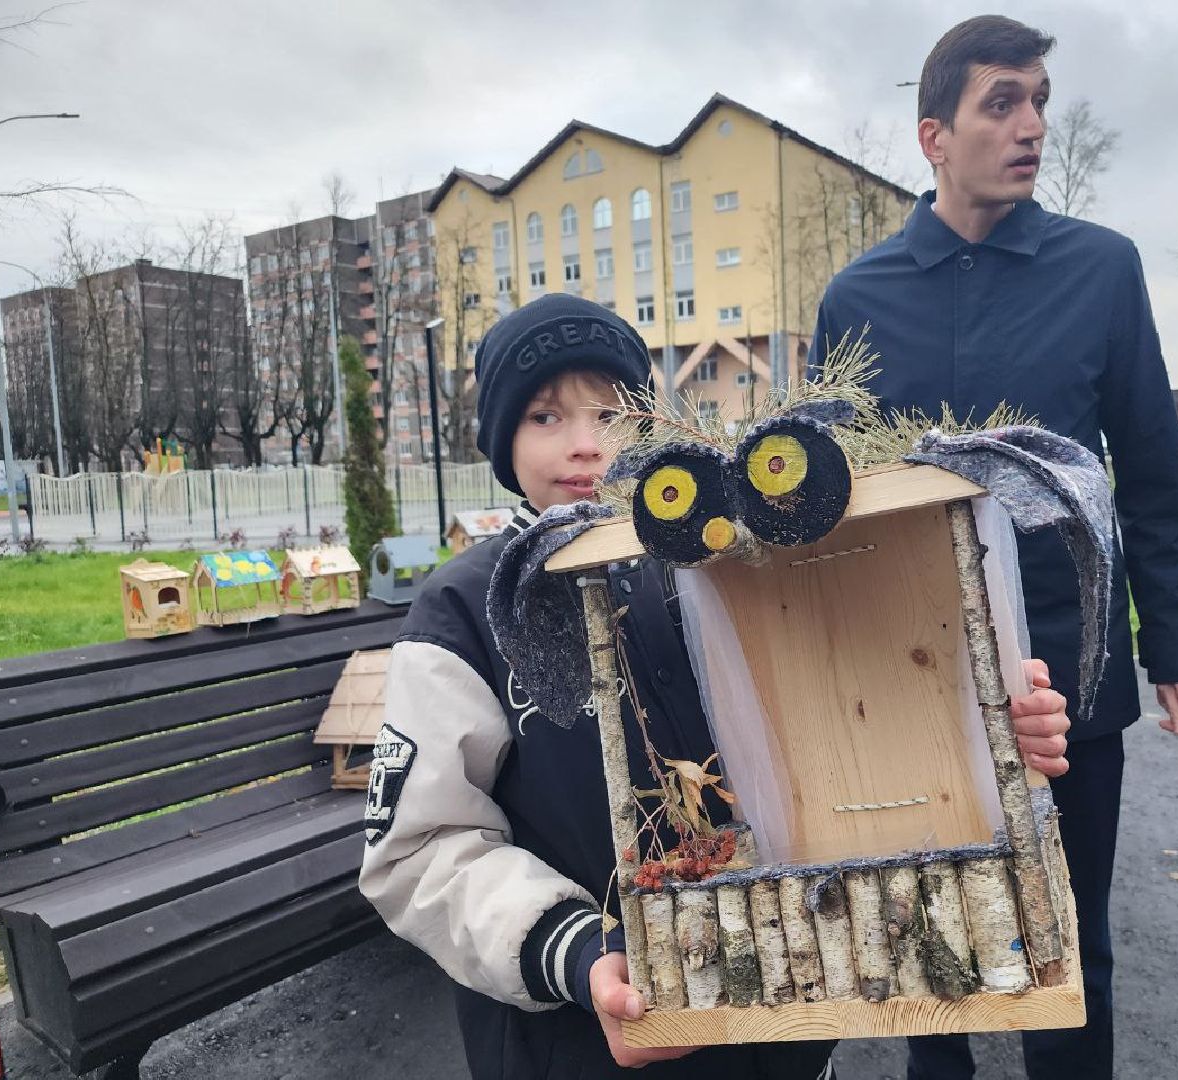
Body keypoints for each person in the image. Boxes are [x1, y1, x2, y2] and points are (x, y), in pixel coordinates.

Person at [359, 293, 1076, 1079]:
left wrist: (990, 729)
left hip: (779, 1031)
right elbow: (422, 852)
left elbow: (852, 722)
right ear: (501, 439)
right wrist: (578, 953)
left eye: (611, 413)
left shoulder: (720, 563)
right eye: (544, 417)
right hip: (581, 1048)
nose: (584, 445)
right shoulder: (468, 609)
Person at [810, 16, 1178, 1080]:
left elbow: (1153, 473)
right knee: (923, 938)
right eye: (1003, 102)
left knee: (1070, 945)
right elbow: (826, 502)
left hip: (1068, 669)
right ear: (934, 136)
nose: (1032, 123)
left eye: (1039, 98)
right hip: (907, 678)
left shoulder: (1102, 270)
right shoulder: (858, 298)